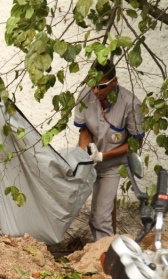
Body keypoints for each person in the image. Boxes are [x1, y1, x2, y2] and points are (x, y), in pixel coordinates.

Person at [74, 60, 145, 241]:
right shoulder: (85, 96)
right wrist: (84, 156)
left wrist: (103, 156)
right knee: (69, 205)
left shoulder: (130, 104)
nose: (96, 91)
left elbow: (136, 143)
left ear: (114, 82)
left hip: (112, 165)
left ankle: (105, 258)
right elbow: (85, 131)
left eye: (101, 86)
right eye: (92, 85)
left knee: (100, 218)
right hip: (88, 161)